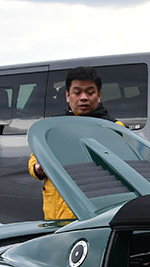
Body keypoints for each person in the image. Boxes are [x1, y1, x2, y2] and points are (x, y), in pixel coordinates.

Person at [28, 67, 122, 220]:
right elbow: (34, 159)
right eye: (77, 93)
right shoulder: (52, 127)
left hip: (93, 216)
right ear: (67, 95)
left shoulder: (113, 128)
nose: (83, 98)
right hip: (55, 215)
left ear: (99, 95)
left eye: (90, 92)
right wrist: (38, 168)